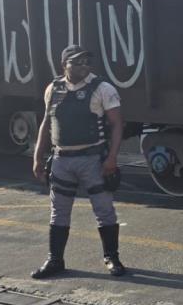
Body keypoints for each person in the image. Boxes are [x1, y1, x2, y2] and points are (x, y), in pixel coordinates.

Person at [31, 45, 126, 278]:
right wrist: (37, 156)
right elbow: (46, 123)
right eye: (77, 62)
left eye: (87, 62)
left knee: (104, 210)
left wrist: (112, 158)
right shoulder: (53, 88)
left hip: (93, 159)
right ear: (64, 65)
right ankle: (55, 260)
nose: (84, 66)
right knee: (58, 212)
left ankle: (112, 258)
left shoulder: (103, 88)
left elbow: (117, 124)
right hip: (62, 160)